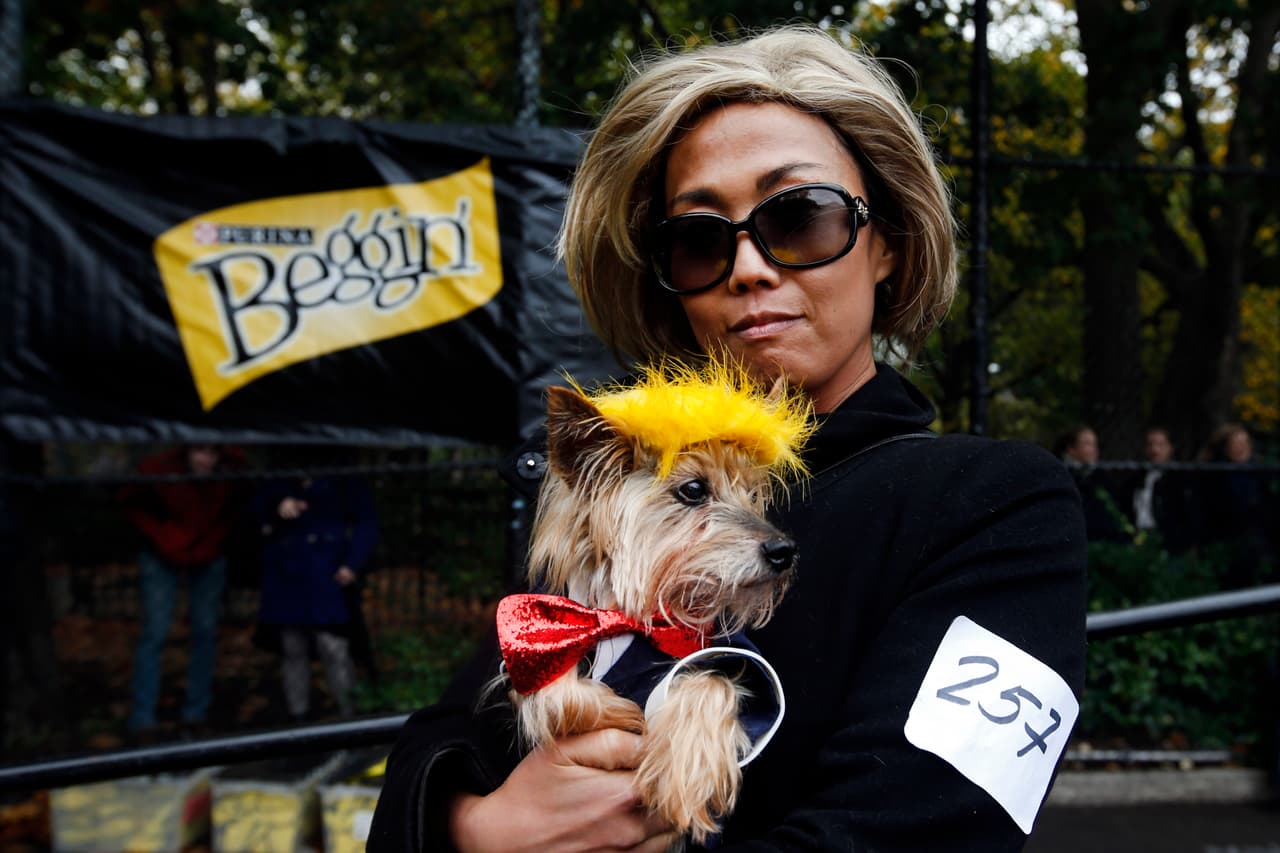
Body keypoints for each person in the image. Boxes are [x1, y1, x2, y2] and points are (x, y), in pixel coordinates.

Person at [369, 24, 1087, 852]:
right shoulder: (624, 492)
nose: (749, 267)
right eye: (701, 238)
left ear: (885, 243)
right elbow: (434, 749)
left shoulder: (992, 501)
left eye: (802, 217)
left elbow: (930, 827)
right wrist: (477, 826)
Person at [117, 443, 248, 739]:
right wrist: (164, 537)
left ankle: (196, 714)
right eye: (202, 452)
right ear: (187, 450)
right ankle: (143, 718)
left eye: (214, 453)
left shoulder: (231, 472)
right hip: (161, 553)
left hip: (208, 553)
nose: (207, 459)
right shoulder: (158, 469)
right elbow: (130, 502)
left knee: (205, 631)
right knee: (155, 632)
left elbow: (239, 506)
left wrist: (213, 542)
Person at [251, 462, 378, 722]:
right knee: (292, 647)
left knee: (333, 645)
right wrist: (277, 506)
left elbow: (366, 520)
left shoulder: (343, 474)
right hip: (287, 574)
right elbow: (253, 511)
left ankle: (350, 715)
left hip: (326, 573)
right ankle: (298, 716)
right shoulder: (279, 473)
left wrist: (353, 563)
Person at [1199, 423, 1275, 588]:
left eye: (1245, 443)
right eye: (1236, 444)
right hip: (1226, 542)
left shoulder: (1262, 472)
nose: (1241, 448)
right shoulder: (1214, 475)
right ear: (1226, 448)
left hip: (1259, 541)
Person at [1126, 426, 1199, 554]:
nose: (1155, 450)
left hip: (1170, 541)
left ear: (1170, 448)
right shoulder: (1136, 478)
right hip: (1139, 537)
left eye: (1160, 444)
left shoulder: (1181, 479)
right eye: (1150, 444)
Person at [1054, 424, 1130, 544]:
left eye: (1094, 444)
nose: (1094, 449)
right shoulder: (1061, 476)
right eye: (1087, 444)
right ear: (1071, 449)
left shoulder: (1102, 477)